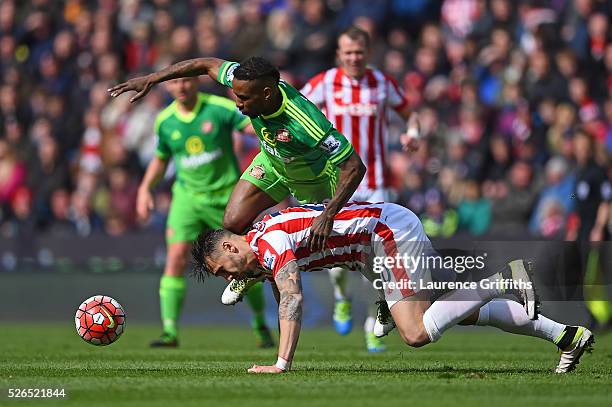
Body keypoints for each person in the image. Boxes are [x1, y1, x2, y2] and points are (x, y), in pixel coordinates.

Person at [109, 56, 380, 316]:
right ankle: (253, 273)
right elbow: (205, 64)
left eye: (244, 98)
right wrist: (152, 79)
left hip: (315, 180)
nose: (237, 102)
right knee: (233, 221)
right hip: (273, 164)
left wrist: (328, 213)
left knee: (341, 254)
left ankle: (384, 297)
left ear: (266, 93)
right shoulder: (245, 80)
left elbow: (355, 166)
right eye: (235, 94)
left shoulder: (304, 121)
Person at [191, 202, 594, 374]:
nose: (228, 277)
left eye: (222, 269)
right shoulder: (259, 243)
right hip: (375, 241)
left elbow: (292, 295)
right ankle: (566, 336)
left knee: (416, 332)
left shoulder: (269, 242)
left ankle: (501, 279)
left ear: (230, 245)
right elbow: (278, 283)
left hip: (385, 236)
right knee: (457, 310)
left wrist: (281, 364)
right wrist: (248, 279)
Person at [300, 26, 419, 351]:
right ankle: (341, 296)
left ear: (367, 53)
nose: (354, 57)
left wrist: (413, 133)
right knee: (333, 250)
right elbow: (297, 111)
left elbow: (411, 114)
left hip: (378, 183)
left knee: (377, 258)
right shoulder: (324, 82)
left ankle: (373, 319)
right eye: (348, 52)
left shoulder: (382, 83)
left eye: (359, 52)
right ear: (339, 54)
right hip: (338, 181)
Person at [136, 76, 272, 347]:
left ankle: (259, 323)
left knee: (245, 264)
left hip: (225, 199)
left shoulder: (219, 109)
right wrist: (144, 189)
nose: (182, 87)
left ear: (196, 81)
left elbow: (251, 126)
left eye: (186, 81)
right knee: (175, 257)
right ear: (168, 87)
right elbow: (161, 158)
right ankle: (170, 331)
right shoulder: (165, 120)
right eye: (175, 83)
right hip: (186, 199)